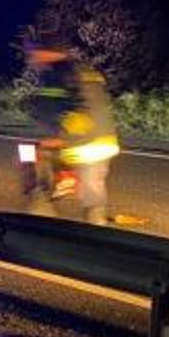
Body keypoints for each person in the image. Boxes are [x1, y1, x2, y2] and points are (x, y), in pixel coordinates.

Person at [24, 45, 120, 225]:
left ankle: (39, 217)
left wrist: (61, 138)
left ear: (46, 52)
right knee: (93, 194)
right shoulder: (82, 70)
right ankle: (97, 226)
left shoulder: (60, 73)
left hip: (82, 144)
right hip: (104, 143)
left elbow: (78, 109)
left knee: (27, 154)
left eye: (32, 53)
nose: (30, 59)